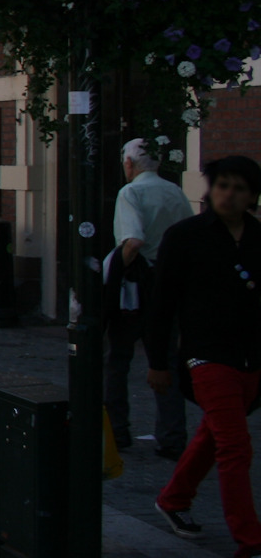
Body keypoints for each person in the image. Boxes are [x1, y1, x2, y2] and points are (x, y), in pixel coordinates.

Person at [147, 155, 261, 550]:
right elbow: (161, 304)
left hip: (250, 358)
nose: (228, 195)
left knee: (215, 434)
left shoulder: (258, 238)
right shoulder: (185, 236)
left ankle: (173, 498)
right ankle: (249, 539)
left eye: (239, 188)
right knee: (235, 446)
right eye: (222, 185)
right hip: (206, 356)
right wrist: (157, 362)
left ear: (252, 196)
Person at [103, 138, 195, 457]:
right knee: (166, 360)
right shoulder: (175, 192)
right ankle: (172, 436)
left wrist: (114, 277)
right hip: (168, 285)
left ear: (129, 164)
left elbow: (133, 241)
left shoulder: (130, 193)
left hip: (137, 288)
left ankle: (118, 430)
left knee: (118, 358)